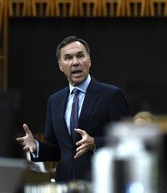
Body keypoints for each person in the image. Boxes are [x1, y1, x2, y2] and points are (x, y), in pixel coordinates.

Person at [16, 35, 130, 182]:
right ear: (60, 65)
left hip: (100, 184)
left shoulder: (111, 95)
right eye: (68, 58)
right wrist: (36, 146)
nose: (75, 62)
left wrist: (95, 143)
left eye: (80, 56)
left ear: (89, 61)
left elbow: (126, 140)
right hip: (64, 185)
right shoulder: (54, 101)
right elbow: (57, 149)